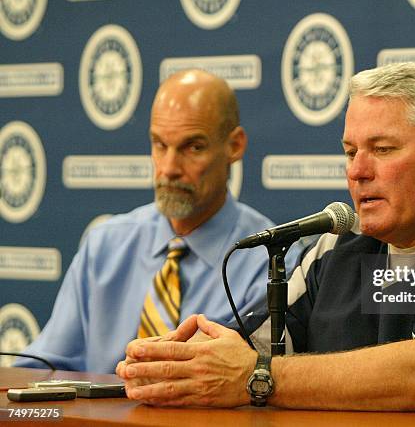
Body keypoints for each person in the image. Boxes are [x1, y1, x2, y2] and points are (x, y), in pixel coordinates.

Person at [116, 63, 415, 420]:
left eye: (382, 149)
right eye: (350, 151)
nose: (357, 171)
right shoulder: (339, 249)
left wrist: (257, 378)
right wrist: (176, 366)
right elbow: (247, 350)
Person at [14, 69, 285, 373]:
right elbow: (40, 367)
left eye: (193, 147)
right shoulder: (104, 246)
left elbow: (250, 382)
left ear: (234, 146)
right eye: (159, 144)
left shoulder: (268, 260)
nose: (169, 168)